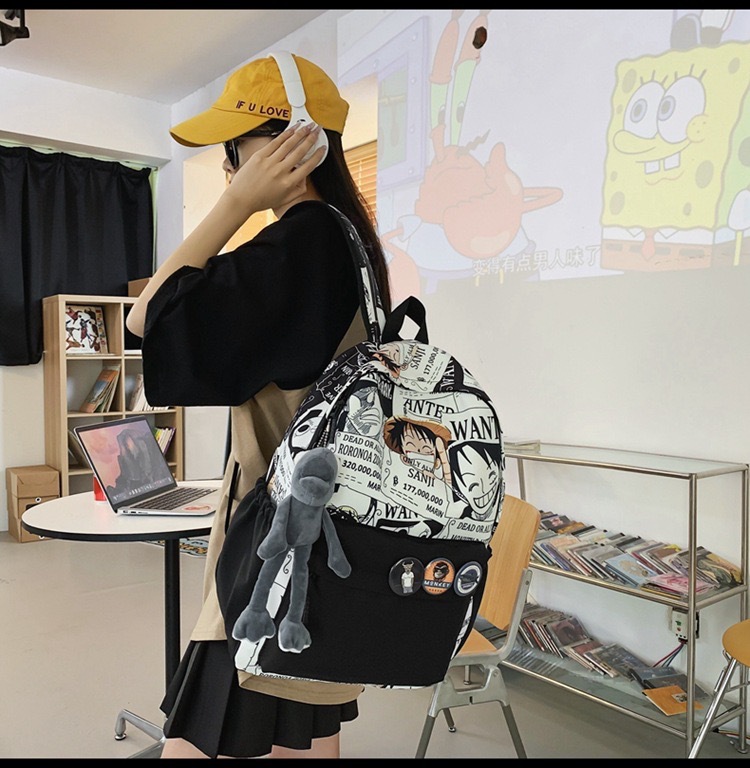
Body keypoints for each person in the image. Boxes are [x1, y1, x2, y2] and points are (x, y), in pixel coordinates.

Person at [126, 53, 392, 760]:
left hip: (265, 553)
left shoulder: (301, 242)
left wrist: (235, 206)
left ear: (291, 143)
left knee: (201, 736)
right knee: (306, 729)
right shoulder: (350, 242)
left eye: (233, 150)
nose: (228, 168)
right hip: (318, 537)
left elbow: (145, 318)